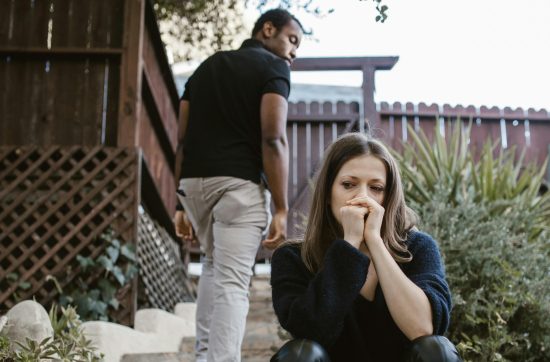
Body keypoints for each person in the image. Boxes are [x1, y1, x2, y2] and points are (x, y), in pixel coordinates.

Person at [173, 8, 304, 362]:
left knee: (214, 268)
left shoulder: (207, 66)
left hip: (194, 186)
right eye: (292, 40)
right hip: (238, 187)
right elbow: (273, 138)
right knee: (233, 281)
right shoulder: (274, 68)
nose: (293, 52)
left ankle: (204, 357)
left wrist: (177, 204)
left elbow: (181, 140)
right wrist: (280, 206)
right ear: (268, 29)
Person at [270, 133, 462, 361]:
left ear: (388, 197)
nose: (363, 197)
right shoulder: (294, 257)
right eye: (349, 185)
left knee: (436, 349)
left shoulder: (419, 248)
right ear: (328, 194)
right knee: (299, 354)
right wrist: (349, 245)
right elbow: (311, 331)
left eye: (376, 188)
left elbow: (423, 329)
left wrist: (374, 240)